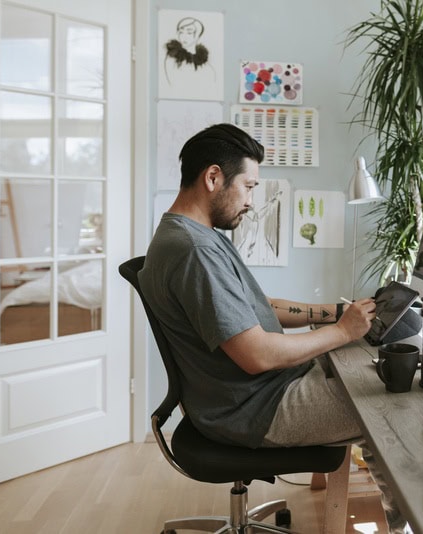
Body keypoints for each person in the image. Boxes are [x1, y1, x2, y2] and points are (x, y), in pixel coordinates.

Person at [138, 123, 408, 533]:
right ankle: (405, 523)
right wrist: (343, 333)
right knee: (392, 405)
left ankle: (395, 512)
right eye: (248, 186)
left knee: (367, 374)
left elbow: (262, 308)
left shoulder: (196, 234)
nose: (251, 200)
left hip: (249, 396)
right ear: (213, 178)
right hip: (254, 408)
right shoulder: (193, 251)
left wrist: (334, 313)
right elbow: (257, 355)